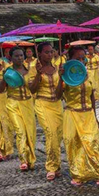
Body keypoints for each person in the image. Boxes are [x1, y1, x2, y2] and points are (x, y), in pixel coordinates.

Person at [55, 46, 99, 187]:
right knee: (75, 145)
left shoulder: (87, 74)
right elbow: (57, 96)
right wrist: (60, 78)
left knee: (93, 143)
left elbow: (91, 96)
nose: (81, 61)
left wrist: (95, 116)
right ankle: (78, 175)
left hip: (87, 114)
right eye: (78, 58)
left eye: (83, 58)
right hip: (72, 114)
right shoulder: (66, 76)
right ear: (71, 59)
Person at [28, 43, 64, 181]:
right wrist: (38, 73)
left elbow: (61, 89)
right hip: (42, 103)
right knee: (50, 132)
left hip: (57, 104)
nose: (50, 55)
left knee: (58, 135)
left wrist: (61, 76)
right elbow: (32, 89)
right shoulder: (33, 68)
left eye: (51, 52)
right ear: (40, 54)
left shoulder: (56, 67)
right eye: (46, 52)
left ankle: (57, 165)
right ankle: (51, 167)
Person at [0, 47, 36, 171]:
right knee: (20, 131)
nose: (19, 58)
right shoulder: (8, 71)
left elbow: (34, 88)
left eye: (21, 55)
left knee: (30, 132)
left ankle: (31, 160)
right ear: (11, 58)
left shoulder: (30, 69)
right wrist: (4, 78)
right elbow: (0, 89)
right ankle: (23, 159)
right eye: (16, 56)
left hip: (28, 103)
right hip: (13, 103)